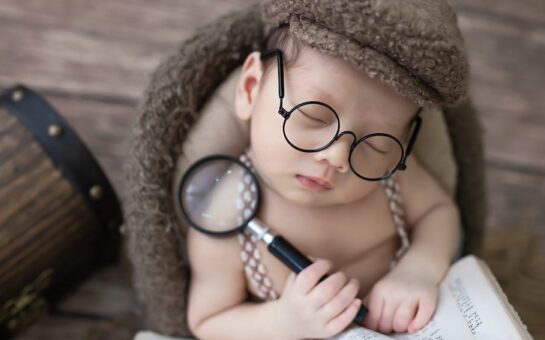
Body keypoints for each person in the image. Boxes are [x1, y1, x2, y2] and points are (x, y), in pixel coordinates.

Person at [184, 1, 469, 339]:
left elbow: (440, 212)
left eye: (375, 143)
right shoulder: (229, 213)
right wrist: (284, 322)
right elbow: (207, 321)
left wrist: (419, 268)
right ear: (249, 89)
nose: (338, 157)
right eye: (313, 116)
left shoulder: (390, 180)